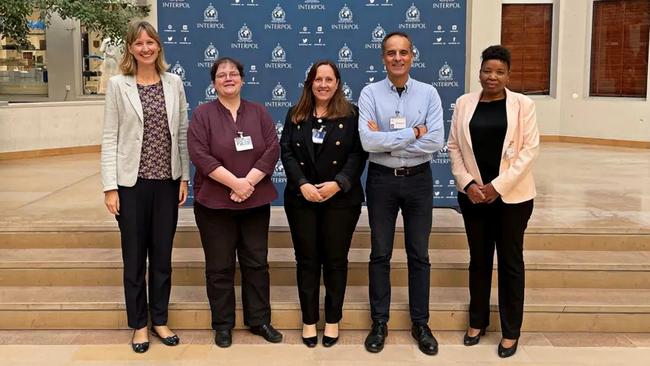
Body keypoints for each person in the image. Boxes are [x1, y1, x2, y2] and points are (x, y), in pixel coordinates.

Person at [100, 20, 189, 353]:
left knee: (163, 256)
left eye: (150, 42)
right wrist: (110, 187)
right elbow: (110, 137)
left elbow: (181, 132)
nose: (146, 48)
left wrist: (184, 177)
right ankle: (139, 324)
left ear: (158, 46)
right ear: (130, 49)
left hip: (166, 183)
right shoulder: (117, 85)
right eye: (139, 43)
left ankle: (160, 320)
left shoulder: (174, 82)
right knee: (135, 258)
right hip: (130, 186)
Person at [447, 45, 539, 358]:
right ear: (480, 72)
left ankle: (511, 331)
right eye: (487, 70)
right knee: (479, 260)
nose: (492, 77)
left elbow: (529, 151)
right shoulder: (464, 103)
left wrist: (496, 187)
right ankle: (477, 322)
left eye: (499, 72)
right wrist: (469, 184)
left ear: (508, 75)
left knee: (511, 264)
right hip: (473, 198)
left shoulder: (523, 105)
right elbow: (454, 147)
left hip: (512, 198)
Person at [358, 31, 445, 356]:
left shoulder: (428, 93)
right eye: (391, 53)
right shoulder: (369, 93)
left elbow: (435, 140)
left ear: (412, 56)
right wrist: (414, 132)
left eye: (403, 52)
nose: (397, 58)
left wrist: (391, 139)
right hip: (381, 181)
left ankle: (420, 323)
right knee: (380, 254)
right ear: (383, 58)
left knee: (419, 255)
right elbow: (368, 142)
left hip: (419, 180)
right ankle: (379, 322)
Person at [188, 57, 282, 348]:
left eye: (233, 74)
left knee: (256, 264)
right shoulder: (202, 115)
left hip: (254, 203)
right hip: (215, 205)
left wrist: (248, 184)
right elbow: (200, 155)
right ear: (213, 82)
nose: (228, 78)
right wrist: (235, 184)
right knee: (219, 266)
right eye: (221, 75)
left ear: (242, 80)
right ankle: (223, 324)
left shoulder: (259, 112)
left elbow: (272, 149)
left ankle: (259, 320)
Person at [280, 60, 367, 348]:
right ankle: (308, 321)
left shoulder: (351, 114)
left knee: (334, 260)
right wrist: (302, 184)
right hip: (301, 199)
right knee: (306, 261)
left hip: (340, 201)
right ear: (310, 83)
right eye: (318, 79)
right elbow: (287, 153)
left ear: (338, 83)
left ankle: (332, 320)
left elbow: (358, 154)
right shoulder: (296, 114)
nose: (323, 84)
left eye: (329, 79)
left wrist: (338, 183)